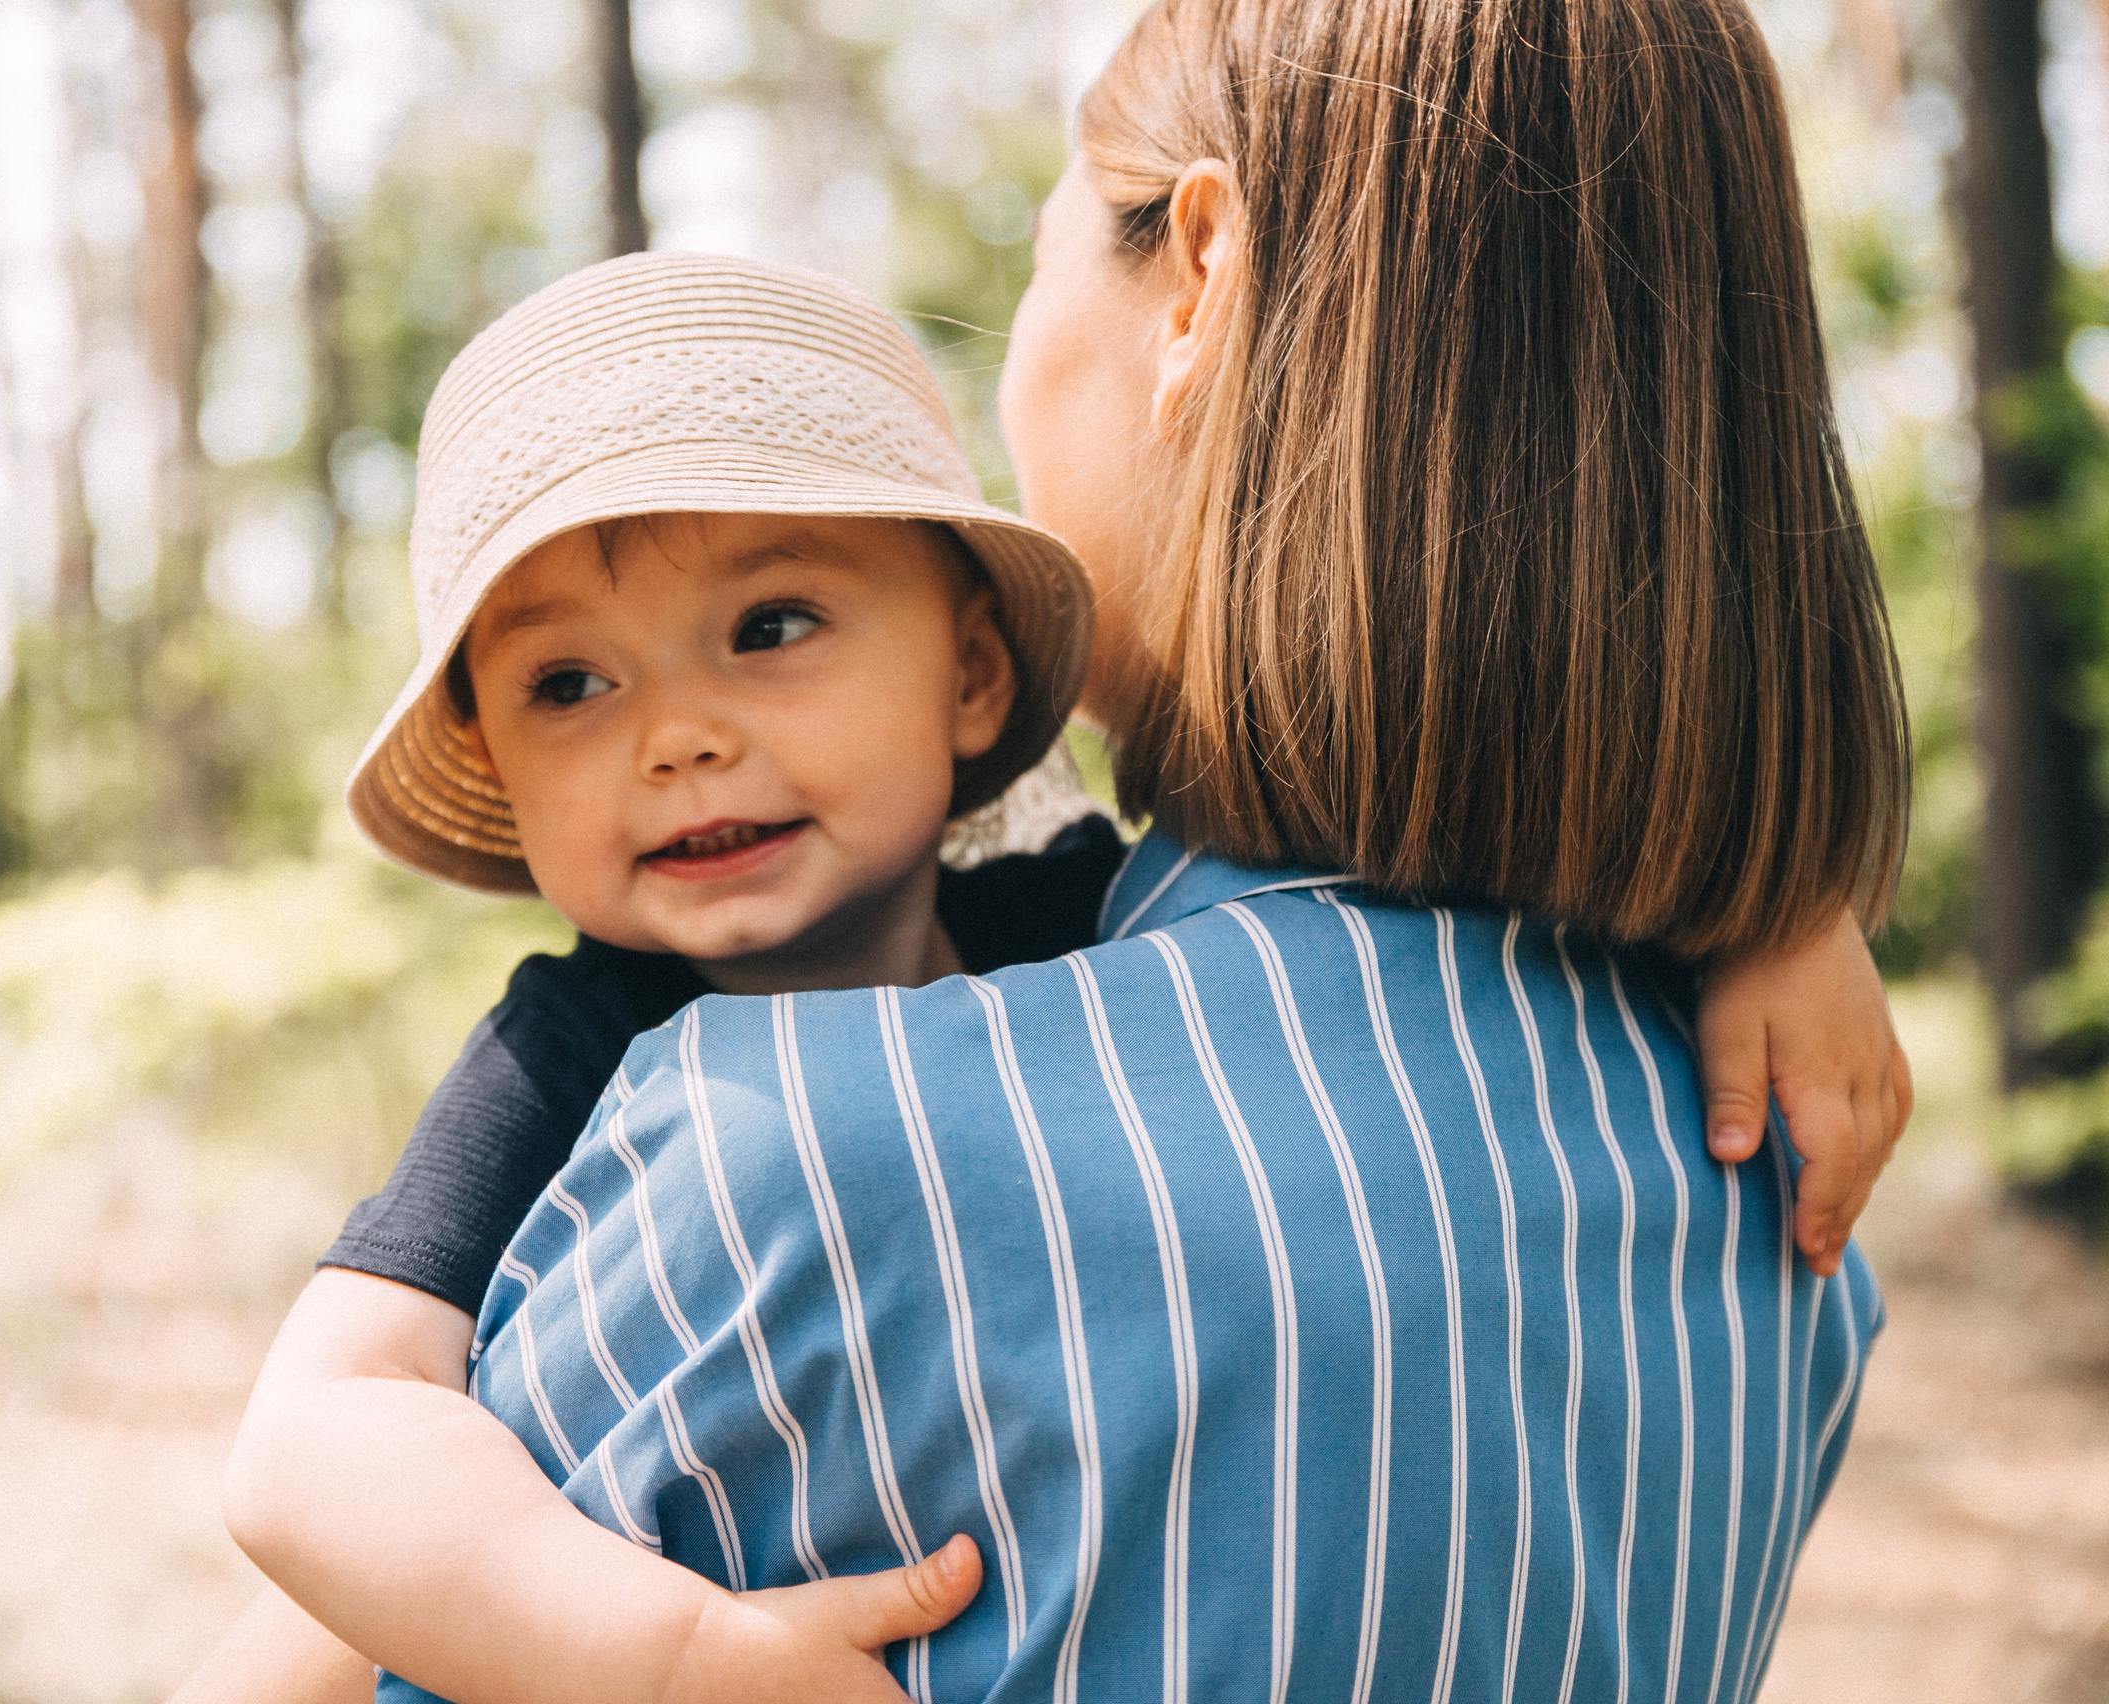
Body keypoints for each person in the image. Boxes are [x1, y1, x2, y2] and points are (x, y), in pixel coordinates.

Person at [192, 0, 1914, 1688]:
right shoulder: (1734, 1167)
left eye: (774, 624)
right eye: (568, 682)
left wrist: (1772, 903)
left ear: (1200, 279)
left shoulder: (783, 1143)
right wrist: (1756, 896)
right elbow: (321, 1446)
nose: (679, 734)